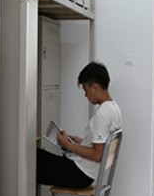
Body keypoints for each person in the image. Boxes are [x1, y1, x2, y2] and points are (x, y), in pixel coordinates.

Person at [37, 61, 122, 189]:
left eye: (86, 90)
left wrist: (69, 145)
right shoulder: (114, 109)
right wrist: (80, 141)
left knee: (33, 157)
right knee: (40, 158)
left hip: (80, 174)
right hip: (87, 172)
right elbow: (101, 146)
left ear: (95, 87)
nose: (85, 95)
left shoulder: (102, 114)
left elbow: (97, 155)